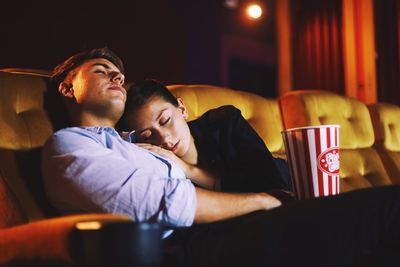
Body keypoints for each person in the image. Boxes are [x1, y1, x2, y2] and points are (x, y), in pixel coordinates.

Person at [42, 47, 400, 267]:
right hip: (196, 247)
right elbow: (168, 203)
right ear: (67, 87)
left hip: (238, 226)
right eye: (101, 70)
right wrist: (265, 201)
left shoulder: (130, 143)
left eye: (118, 72)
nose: (117, 75)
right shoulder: (70, 146)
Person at [116, 79, 292, 196]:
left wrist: (190, 171)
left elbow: (273, 183)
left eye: (165, 120)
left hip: (294, 181)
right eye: (147, 136)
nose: (165, 139)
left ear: (182, 109)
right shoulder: (155, 169)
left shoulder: (225, 121)